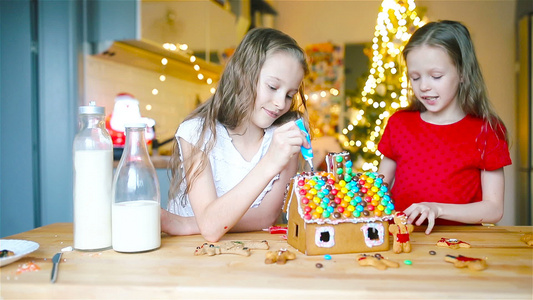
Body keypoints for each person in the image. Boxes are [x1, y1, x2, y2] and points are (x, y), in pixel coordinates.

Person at [161, 28, 310, 242]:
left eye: (289, 95)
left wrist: (185, 223)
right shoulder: (197, 133)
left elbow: (266, 217)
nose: (280, 103)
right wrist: (271, 162)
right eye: (272, 86)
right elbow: (211, 229)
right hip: (187, 252)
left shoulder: (283, 138)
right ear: (243, 75)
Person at [377, 20, 512, 234]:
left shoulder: (487, 130)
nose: (424, 86)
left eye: (436, 76)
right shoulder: (399, 123)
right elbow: (379, 189)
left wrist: (437, 209)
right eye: (415, 77)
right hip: (403, 240)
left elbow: (494, 209)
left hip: (461, 244)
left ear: (462, 74)